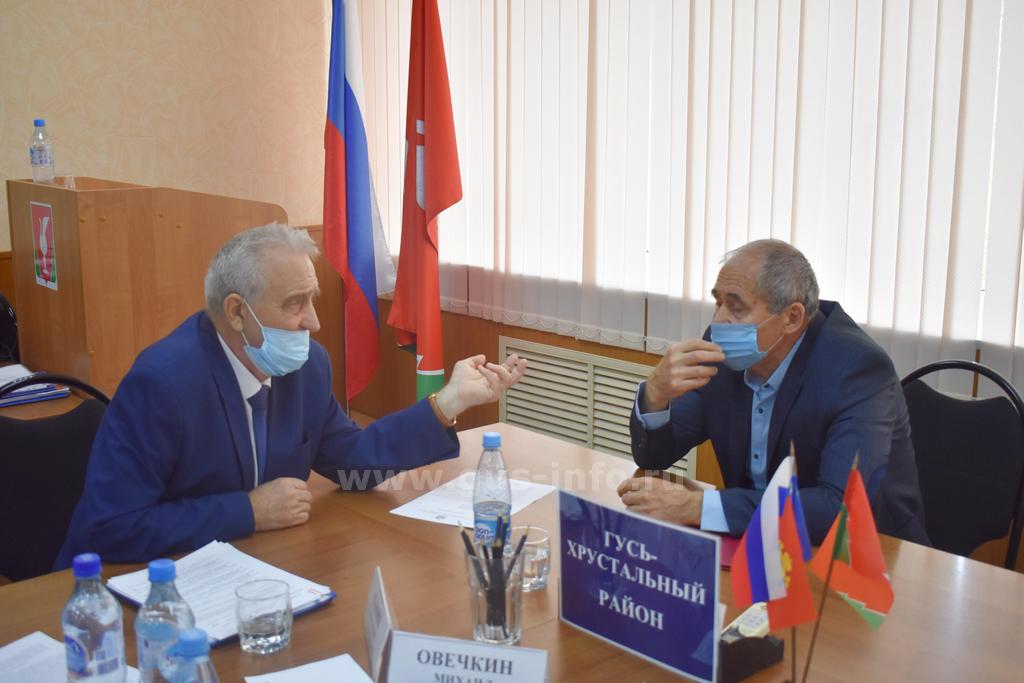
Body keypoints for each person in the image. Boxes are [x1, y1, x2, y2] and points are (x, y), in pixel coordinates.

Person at [56, 224, 527, 567]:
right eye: (294, 304)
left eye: (313, 298)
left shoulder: (307, 367)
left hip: (261, 570)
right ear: (237, 313)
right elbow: (111, 527)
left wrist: (449, 402)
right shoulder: (162, 385)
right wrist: (248, 511)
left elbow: (352, 462)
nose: (314, 322)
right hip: (143, 587)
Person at [617, 239, 928, 545]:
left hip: (866, 555)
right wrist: (656, 395)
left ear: (792, 318)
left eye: (736, 307)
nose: (718, 320)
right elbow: (655, 457)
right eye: (718, 302)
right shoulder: (724, 349)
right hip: (760, 543)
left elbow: (837, 509)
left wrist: (696, 507)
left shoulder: (856, 370)